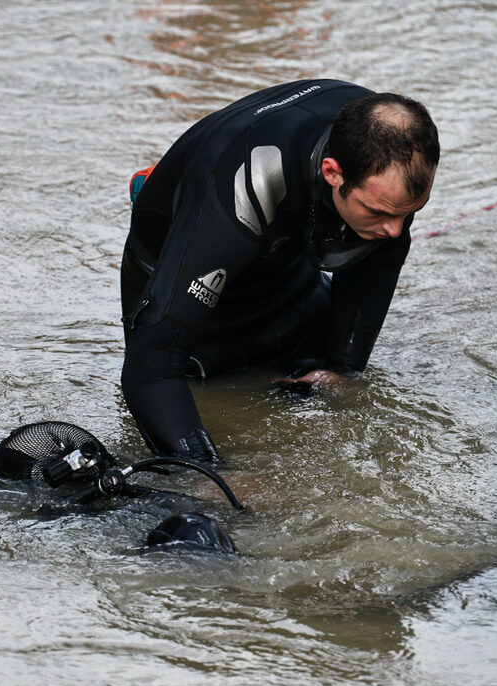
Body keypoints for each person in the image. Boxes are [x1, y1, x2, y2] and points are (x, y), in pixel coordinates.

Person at [121, 80, 439, 460]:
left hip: (287, 274)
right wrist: (208, 475)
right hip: (202, 300)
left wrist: (342, 369)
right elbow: (149, 362)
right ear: (332, 172)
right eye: (380, 213)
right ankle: (164, 190)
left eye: (408, 214)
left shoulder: (380, 134)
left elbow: (375, 259)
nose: (396, 230)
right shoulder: (244, 180)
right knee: (202, 387)